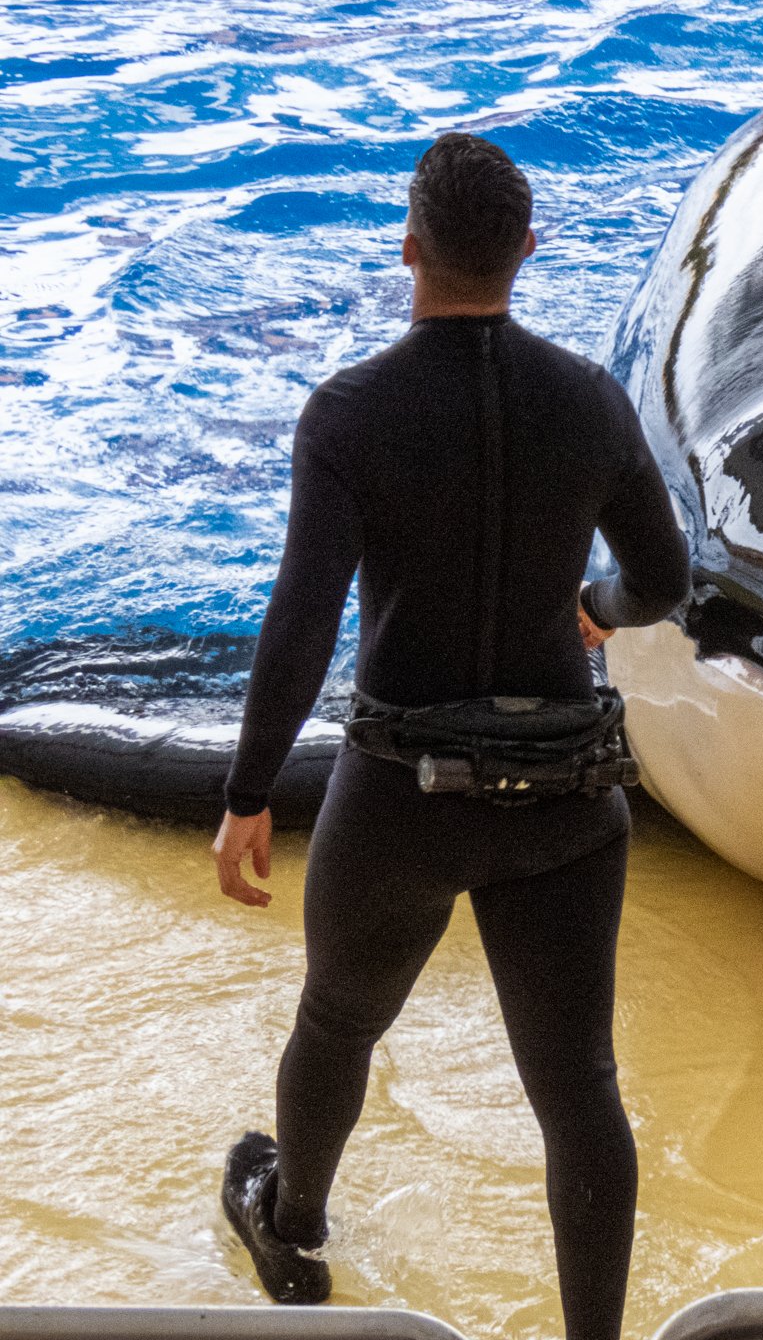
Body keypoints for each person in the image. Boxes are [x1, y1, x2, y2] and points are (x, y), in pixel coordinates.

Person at [209, 131, 690, 1340]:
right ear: (528, 250)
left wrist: (248, 790)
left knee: (338, 1019)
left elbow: (303, 619)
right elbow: (667, 577)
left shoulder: (350, 413)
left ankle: (294, 1226)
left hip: (399, 799)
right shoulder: (590, 401)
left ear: (409, 247)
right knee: (579, 1090)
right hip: (568, 805)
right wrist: (598, 612)